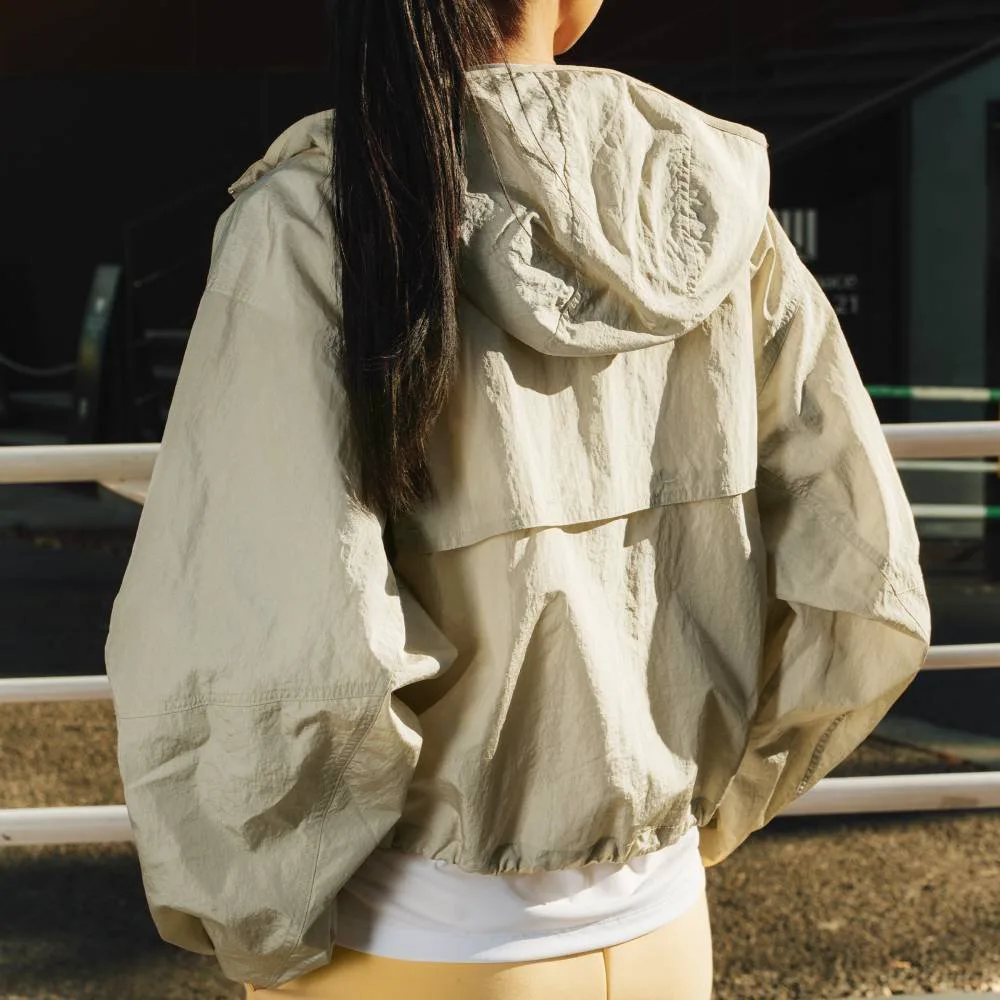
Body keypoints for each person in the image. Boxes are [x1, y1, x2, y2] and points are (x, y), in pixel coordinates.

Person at [103, 1, 932, 997]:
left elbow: (265, 650)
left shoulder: (320, 216)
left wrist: (254, 918)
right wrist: (701, 813)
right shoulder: (714, 206)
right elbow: (862, 574)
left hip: (412, 941)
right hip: (664, 924)